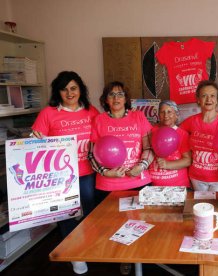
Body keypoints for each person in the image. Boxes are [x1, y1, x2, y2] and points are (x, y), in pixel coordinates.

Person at [31, 71, 99, 274]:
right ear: (58, 92)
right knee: (67, 215)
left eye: (73, 88)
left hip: (87, 171)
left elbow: (102, 136)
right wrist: (34, 138)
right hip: (60, 177)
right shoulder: (48, 113)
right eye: (64, 89)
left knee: (89, 213)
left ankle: (87, 247)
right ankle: (74, 254)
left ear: (80, 90)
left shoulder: (91, 111)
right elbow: (35, 144)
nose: (69, 93)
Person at [88, 81, 154, 275]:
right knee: (114, 226)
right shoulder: (99, 120)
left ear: (126, 98)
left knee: (142, 223)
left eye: (120, 94)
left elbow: (149, 147)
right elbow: (91, 153)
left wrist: (140, 166)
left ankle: (142, 256)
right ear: (105, 100)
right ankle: (123, 258)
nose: (116, 98)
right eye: (111, 94)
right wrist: (106, 172)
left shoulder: (138, 117)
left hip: (138, 181)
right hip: (109, 183)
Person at [179, 80, 218, 191]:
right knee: (199, 207)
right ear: (198, 100)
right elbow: (175, 133)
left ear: (217, 100)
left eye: (212, 96)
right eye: (204, 96)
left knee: (217, 208)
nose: (208, 99)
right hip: (196, 178)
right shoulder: (190, 121)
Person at [149, 100, 191, 187]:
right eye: (162, 112)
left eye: (169, 112)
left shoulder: (182, 134)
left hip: (177, 186)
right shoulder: (152, 131)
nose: (166, 115)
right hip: (154, 187)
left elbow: (188, 160)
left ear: (176, 115)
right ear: (158, 115)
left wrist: (168, 164)